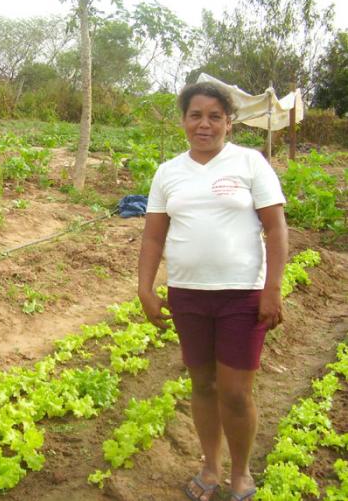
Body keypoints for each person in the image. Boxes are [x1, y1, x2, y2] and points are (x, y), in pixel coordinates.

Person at [137, 82, 288, 501]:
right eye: (195, 115)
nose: (204, 124)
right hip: (188, 295)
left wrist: (272, 288)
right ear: (184, 120)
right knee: (202, 384)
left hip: (242, 295)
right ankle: (210, 467)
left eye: (214, 116)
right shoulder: (168, 172)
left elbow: (275, 229)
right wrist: (145, 288)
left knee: (236, 392)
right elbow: (153, 237)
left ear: (229, 121)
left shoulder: (250, 163)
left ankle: (241, 473)